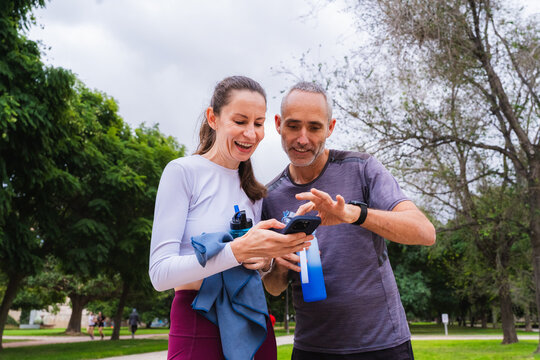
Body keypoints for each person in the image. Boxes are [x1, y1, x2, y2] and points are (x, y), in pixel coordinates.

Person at [262, 81, 436, 360]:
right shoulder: (270, 196)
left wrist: (353, 214)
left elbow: (424, 232)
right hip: (312, 348)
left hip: (383, 345)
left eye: (315, 127)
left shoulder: (362, 168)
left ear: (330, 128)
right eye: (293, 126)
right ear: (278, 124)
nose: (303, 138)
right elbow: (273, 287)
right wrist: (280, 268)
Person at [149, 76, 313, 360]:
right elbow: (160, 275)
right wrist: (238, 251)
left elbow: (253, 268)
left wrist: (264, 260)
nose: (250, 133)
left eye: (258, 123)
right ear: (213, 118)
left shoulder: (255, 192)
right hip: (197, 318)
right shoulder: (182, 173)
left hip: (252, 319)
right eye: (240, 121)